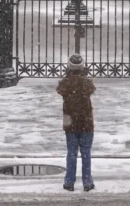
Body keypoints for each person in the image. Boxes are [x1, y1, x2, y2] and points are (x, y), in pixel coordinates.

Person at [56, 53, 96, 192]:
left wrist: (69, 76)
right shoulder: (86, 82)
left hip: (70, 122)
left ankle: (69, 181)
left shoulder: (66, 83)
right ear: (82, 66)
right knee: (86, 152)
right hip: (86, 121)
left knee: (71, 152)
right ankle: (87, 181)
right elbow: (92, 89)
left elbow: (60, 89)